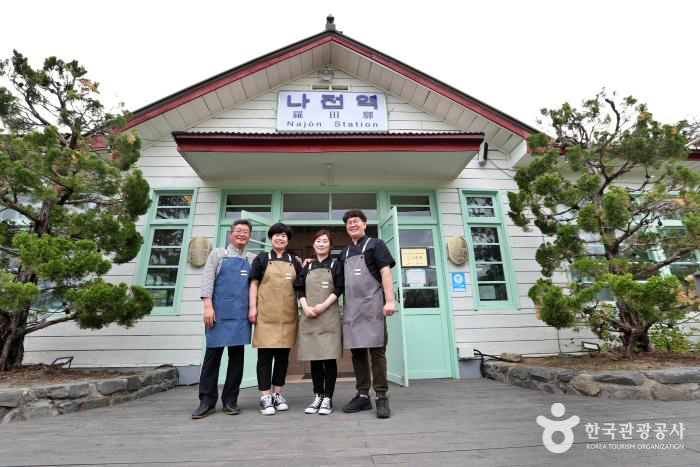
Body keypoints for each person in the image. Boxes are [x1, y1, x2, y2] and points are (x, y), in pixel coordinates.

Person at [192, 219, 256, 419]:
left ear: (249, 236)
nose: (242, 234)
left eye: (245, 232)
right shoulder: (218, 254)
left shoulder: (252, 258)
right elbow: (207, 281)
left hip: (240, 316)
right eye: (238, 231)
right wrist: (208, 307)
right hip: (217, 314)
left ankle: (230, 400)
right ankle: (207, 401)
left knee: (237, 360)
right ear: (230, 234)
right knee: (212, 358)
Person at [340, 209, 396, 419]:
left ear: (365, 224)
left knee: (377, 353)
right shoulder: (344, 252)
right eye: (349, 223)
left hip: (374, 306)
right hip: (353, 309)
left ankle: (381, 397)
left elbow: (385, 272)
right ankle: (363, 396)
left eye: (356, 221)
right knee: (357, 354)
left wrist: (389, 300)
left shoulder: (376, 244)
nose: (352, 224)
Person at [248, 222, 301, 415]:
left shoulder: (294, 260)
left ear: (287, 240)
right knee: (264, 358)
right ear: (271, 238)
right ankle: (265, 396)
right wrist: (252, 308)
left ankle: (277, 394)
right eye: (277, 235)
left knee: (282, 359)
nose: (280, 238)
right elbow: (254, 283)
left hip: (287, 316)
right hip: (265, 315)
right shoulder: (262, 259)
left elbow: (302, 284)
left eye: (284, 236)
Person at [295, 229, 343, 415]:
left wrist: (323, 306)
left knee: (329, 359)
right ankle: (317, 395)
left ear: (330, 246)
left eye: (325, 241)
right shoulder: (306, 267)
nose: (321, 244)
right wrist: (305, 308)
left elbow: (339, 288)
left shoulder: (336, 265)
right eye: (318, 241)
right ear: (314, 244)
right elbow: (299, 289)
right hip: (309, 316)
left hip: (328, 315)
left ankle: (328, 398)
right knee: (314, 359)